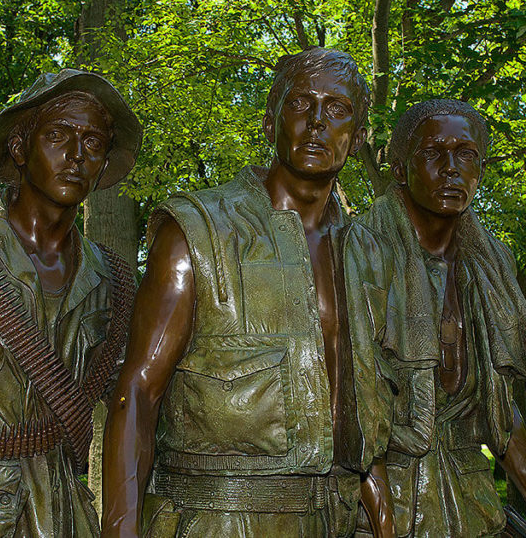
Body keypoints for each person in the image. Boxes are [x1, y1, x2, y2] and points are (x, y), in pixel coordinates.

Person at [102, 47, 396, 538]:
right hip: (220, 519)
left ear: (359, 135)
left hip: (338, 518)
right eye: (301, 104)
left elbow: (362, 406)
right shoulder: (198, 229)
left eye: (338, 109)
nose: (317, 121)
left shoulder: (367, 252)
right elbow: (138, 390)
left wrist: (384, 519)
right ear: (270, 122)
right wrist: (120, 530)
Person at [0, 69, 141, 537]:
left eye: (93, 142)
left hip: (66, 514)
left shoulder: (115, 284)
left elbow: (140, 410)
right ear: (21, 149)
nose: (76, 156)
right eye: (58, 135)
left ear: (104, 165)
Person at [358, 99, 526, 537]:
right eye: (433, 153)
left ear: (481, 170)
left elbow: (501, 413)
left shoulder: (491, 269)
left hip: (472, 507)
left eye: (466, 155)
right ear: (399, 169)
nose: (452, 168)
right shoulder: (356, 256)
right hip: (378, 508)